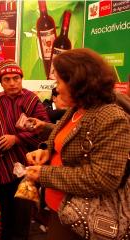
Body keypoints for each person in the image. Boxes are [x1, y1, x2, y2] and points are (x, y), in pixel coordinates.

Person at [25, 48, 130, 240]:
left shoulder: (112, 118)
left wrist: (44, 174)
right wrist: (46, 151)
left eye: (58, 82)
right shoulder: (77, 108)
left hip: (83, 217)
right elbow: (68, 137)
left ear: (77, 81)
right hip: (59, 209)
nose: (56, 88)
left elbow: (104, 178)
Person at [0, 59, 50, 240]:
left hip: (25, 170)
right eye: (7, 79)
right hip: (0, 167)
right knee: (4, 214)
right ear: (0, 82)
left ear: (21, 78)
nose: (12, 83)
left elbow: (44, 130)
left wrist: (16, 139)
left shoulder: (32, 100)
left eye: (16, 78)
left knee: (22, 216)